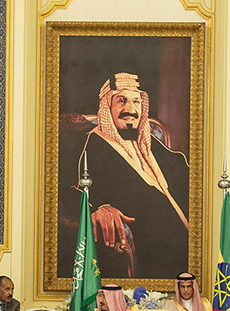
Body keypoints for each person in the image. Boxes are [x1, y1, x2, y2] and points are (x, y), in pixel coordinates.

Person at [58, 72, 190, 279]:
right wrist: (100, 208)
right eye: (121, 101)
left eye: (136, 101)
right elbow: (68, 193)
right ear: (106, 107)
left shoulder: (153, 145)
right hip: (151, 254)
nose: (131, 109)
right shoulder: (89, 146)